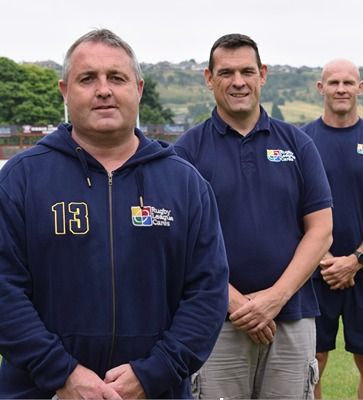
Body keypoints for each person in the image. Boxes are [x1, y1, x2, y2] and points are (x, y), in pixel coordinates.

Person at [0, 29, 229, 399]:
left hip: (155, 391)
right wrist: (63, 373)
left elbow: (207, 292)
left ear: (138, 89)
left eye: (116, 78)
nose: (103, 89)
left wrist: (154, 372)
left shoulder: (185, 183)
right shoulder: (21, 179)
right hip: (41, 390)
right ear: (65, 91)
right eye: (88, 78)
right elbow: (4, 291)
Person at [174, 33, 333, 399]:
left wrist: (275, 298)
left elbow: (321, 231)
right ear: (208, 78)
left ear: (263, 74)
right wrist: (233, 303)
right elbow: (176, 242)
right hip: (213, 323)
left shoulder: (298, 144)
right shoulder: (186, 152)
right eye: (226, 72)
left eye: (247, 71)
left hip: (291, 317)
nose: (238, 82)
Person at [302, 58, 363, 399]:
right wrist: (324, 258)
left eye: (348, 82)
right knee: (309, 365)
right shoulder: (301, 142)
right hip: (313, 274)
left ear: (360, 87)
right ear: (320, 88)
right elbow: (290, 207)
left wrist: (355, 260)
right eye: (333, 82)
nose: (341, 89)